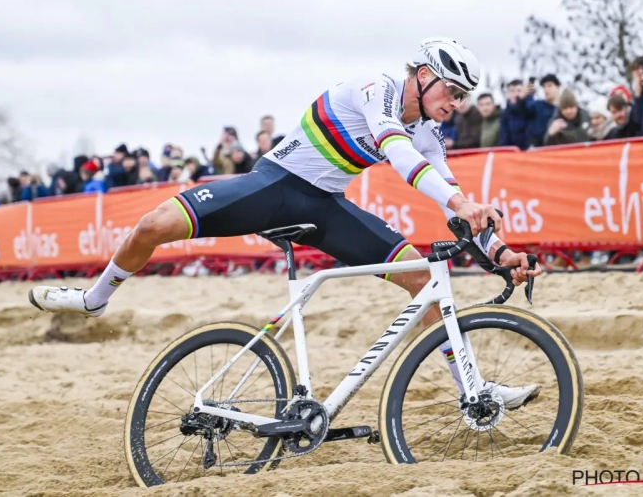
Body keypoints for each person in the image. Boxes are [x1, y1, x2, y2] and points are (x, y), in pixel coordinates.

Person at [28, 37, 543, 409]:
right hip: (273, 188)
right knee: (152, 224)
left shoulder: (427, 131)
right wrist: (457, 203)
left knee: (424, 276)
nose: (454, 105)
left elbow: (450, 186)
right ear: (423, 74)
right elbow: (400, 156)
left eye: (462, 98)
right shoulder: (377, 88)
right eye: (451, 91)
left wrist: (500, 251)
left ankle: (473, 390)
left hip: (324, 208)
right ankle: (93, 299)